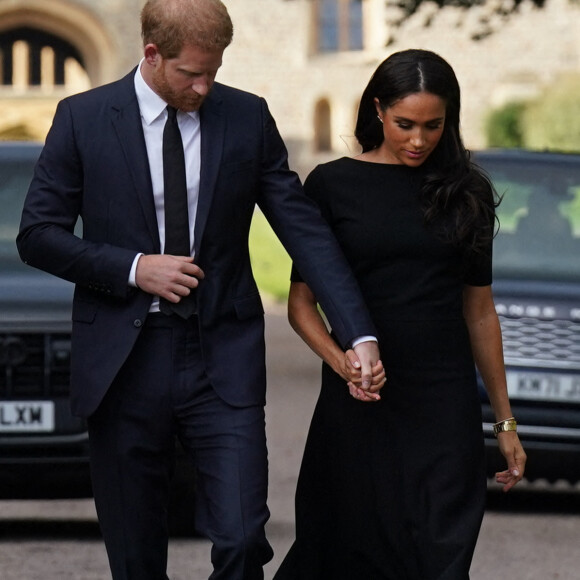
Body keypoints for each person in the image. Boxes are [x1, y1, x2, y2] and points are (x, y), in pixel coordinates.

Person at [16, 1, 385, 578]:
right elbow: (37, 235)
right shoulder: (82, 118)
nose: (205, 86)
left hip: (221, 357)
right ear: (151, 54)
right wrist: (135, 267)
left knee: (241, 540)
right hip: (122, 362)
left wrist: (358, 332)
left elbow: (305, 231)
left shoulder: (247, 118)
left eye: (214, 70)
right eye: (191, 74)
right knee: (136, 560)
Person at [274, 49, 527, 580]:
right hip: (359, 408)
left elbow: (479, 311)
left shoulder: (468, 191)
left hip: (443, 408)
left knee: (439, 555)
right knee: (344, 553)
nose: (418, 140)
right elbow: (301, 304)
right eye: (404, 124)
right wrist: (342, 363)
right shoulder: (331, 184)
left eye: (433, 126)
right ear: (378, 110)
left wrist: (504, 422)